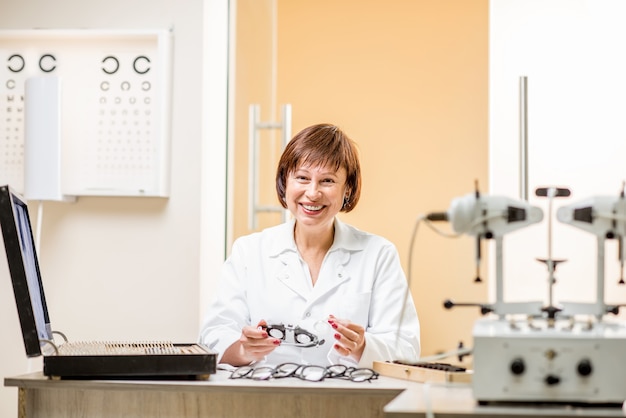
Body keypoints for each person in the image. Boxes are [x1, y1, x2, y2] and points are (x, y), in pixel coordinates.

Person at [199, 123, 420, 369]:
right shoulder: (249, 251)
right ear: (285, 181)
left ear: (347, 188)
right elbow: (213, 335)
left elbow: (407, 346)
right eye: (302, 178)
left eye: (327, 181)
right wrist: (242, 348)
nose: (312, 193)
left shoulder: (378, 254)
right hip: (264, 395)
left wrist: (363, 346)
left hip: (348, 397)